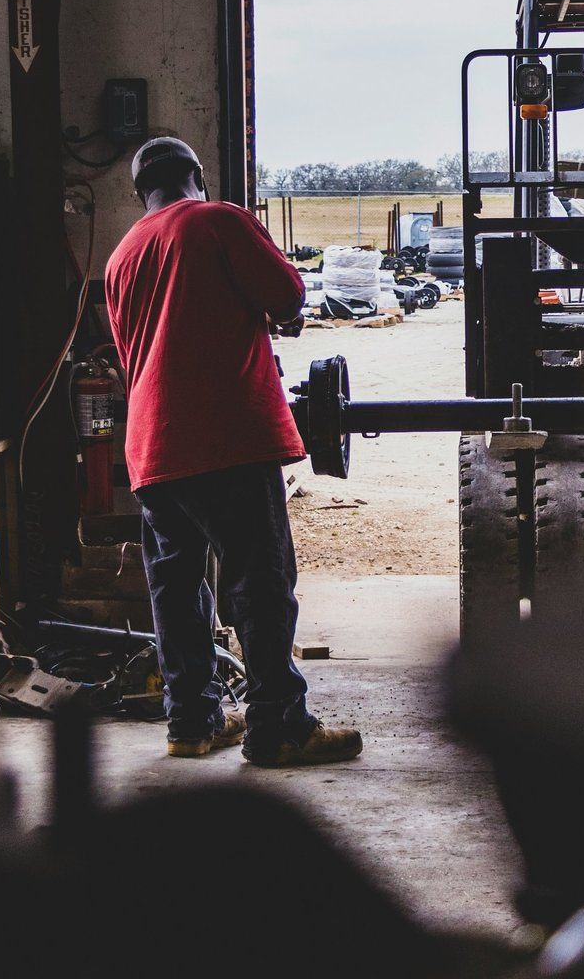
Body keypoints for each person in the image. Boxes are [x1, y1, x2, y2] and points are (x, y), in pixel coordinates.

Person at [103, 136, 363, 767]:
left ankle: (191, 723)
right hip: (223, 439)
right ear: (197, 176)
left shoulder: (122, 255)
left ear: (141, 193)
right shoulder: (217, 220)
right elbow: (289, 296)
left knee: (176, 590)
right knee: (259, 583)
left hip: (152, 449)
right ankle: (279, 727)